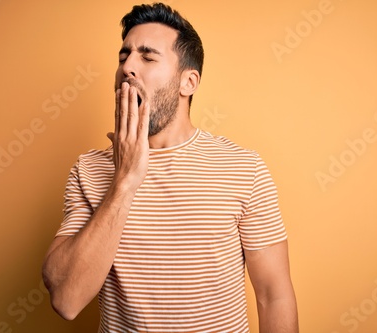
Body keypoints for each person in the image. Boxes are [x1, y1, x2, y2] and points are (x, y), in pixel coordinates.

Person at [42, 3, 298, 332]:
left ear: (188, 82)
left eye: (147, 57)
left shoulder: (243, 168)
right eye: (123, 57)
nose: (128, 68)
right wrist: (123, 181)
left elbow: (273, 295)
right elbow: (66, 298)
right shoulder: (89, 170)